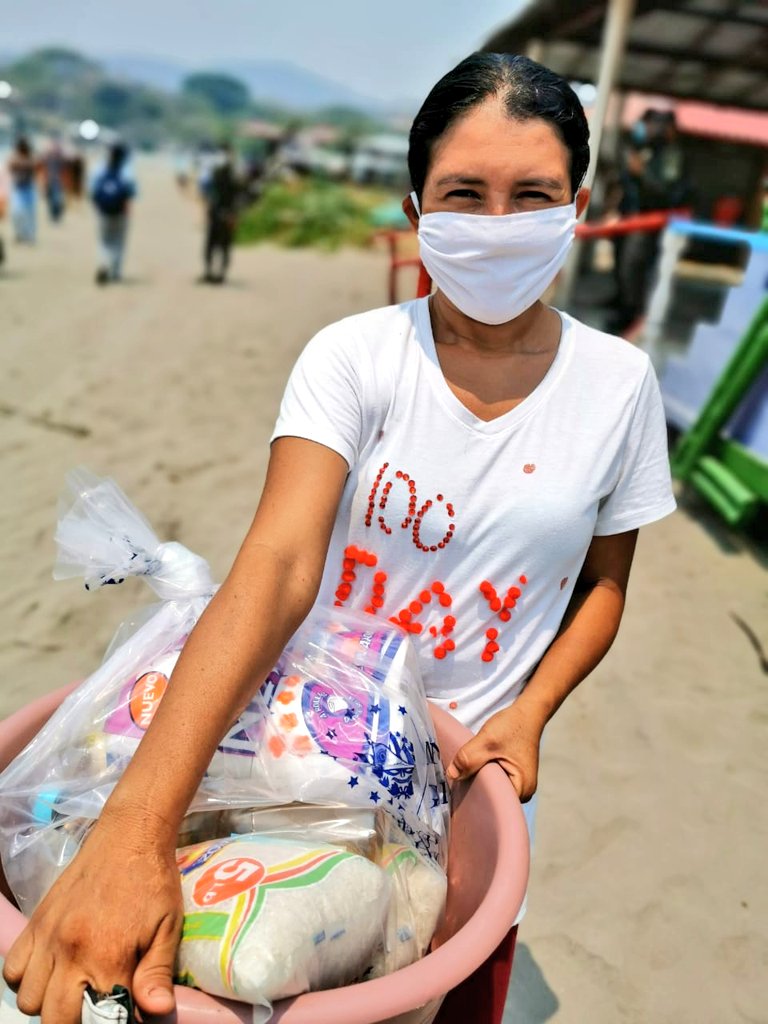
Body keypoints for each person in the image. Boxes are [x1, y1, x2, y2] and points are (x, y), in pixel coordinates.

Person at [3, 53, 676, 1024]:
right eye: (464, 194)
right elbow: (278, 566)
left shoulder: (619, 385)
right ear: (416, 211)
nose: (497, 224)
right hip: (303, 754)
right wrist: (134, 829)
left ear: (577, 207)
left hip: (470, 779)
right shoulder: (355, 357)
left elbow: (605, 585)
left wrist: (531, 714)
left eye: (530, 195)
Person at [609, 108, 690, 334]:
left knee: (633, 268)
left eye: (655, 125)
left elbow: (665, 192)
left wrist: (641, 173)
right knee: (622, 264)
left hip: (648, 221)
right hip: (628, 217)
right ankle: (621, 306)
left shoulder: (672, 156)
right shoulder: (645, 150)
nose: (651, 130)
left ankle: (630, 317)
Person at [89, 142, 136, 285]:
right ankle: (115, 271)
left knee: (104, 242)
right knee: (119, 242)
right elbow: (133, 192)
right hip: (121, 212)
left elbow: (92, 190)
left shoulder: (99, 169)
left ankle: (103, 263)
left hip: (103, 211)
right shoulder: (127, 171)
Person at [199, 142, 242, 283]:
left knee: (223, 245)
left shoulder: (234, 174)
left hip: (226, 213)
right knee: (213, 244)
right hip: (217, 213)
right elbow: (207, 193)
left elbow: (239, 196)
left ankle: (219, 274)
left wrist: (234, 214)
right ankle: (210, 272)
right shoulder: (215, 173)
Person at [8, 138, 38, 244]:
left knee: (29, 215)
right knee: (16, 213)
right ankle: (19, 234)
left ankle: (30, 236)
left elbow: (35, 166)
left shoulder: (30, 158)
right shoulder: (15, 157)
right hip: (18, 189)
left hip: (28, 189)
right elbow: (10, 166)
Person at [41, 138, 66, 223]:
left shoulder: (60, 159)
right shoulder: (49, 159)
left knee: (56, 199)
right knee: (51, 199)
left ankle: (56, 216)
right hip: (51, 181)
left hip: (57, 181)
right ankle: (53, 216)